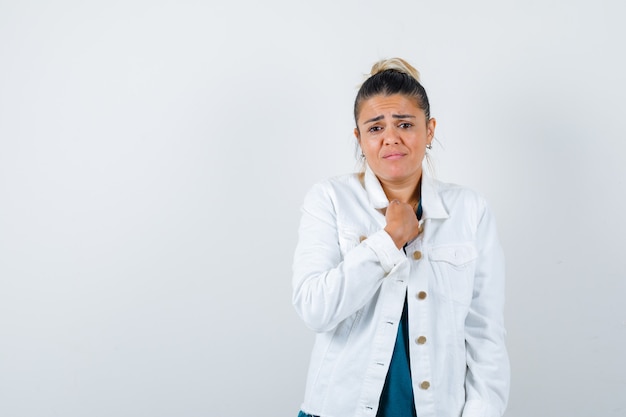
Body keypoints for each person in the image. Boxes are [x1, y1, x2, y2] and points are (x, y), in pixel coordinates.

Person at [292, 57, 510, 417]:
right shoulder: (329, 199)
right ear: (359, 138)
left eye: (405, 124)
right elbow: (315, 309)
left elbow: (485, 334)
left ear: (430, 130)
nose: (391, 137)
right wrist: (388, 240)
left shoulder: (470, 209)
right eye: (375, 128)